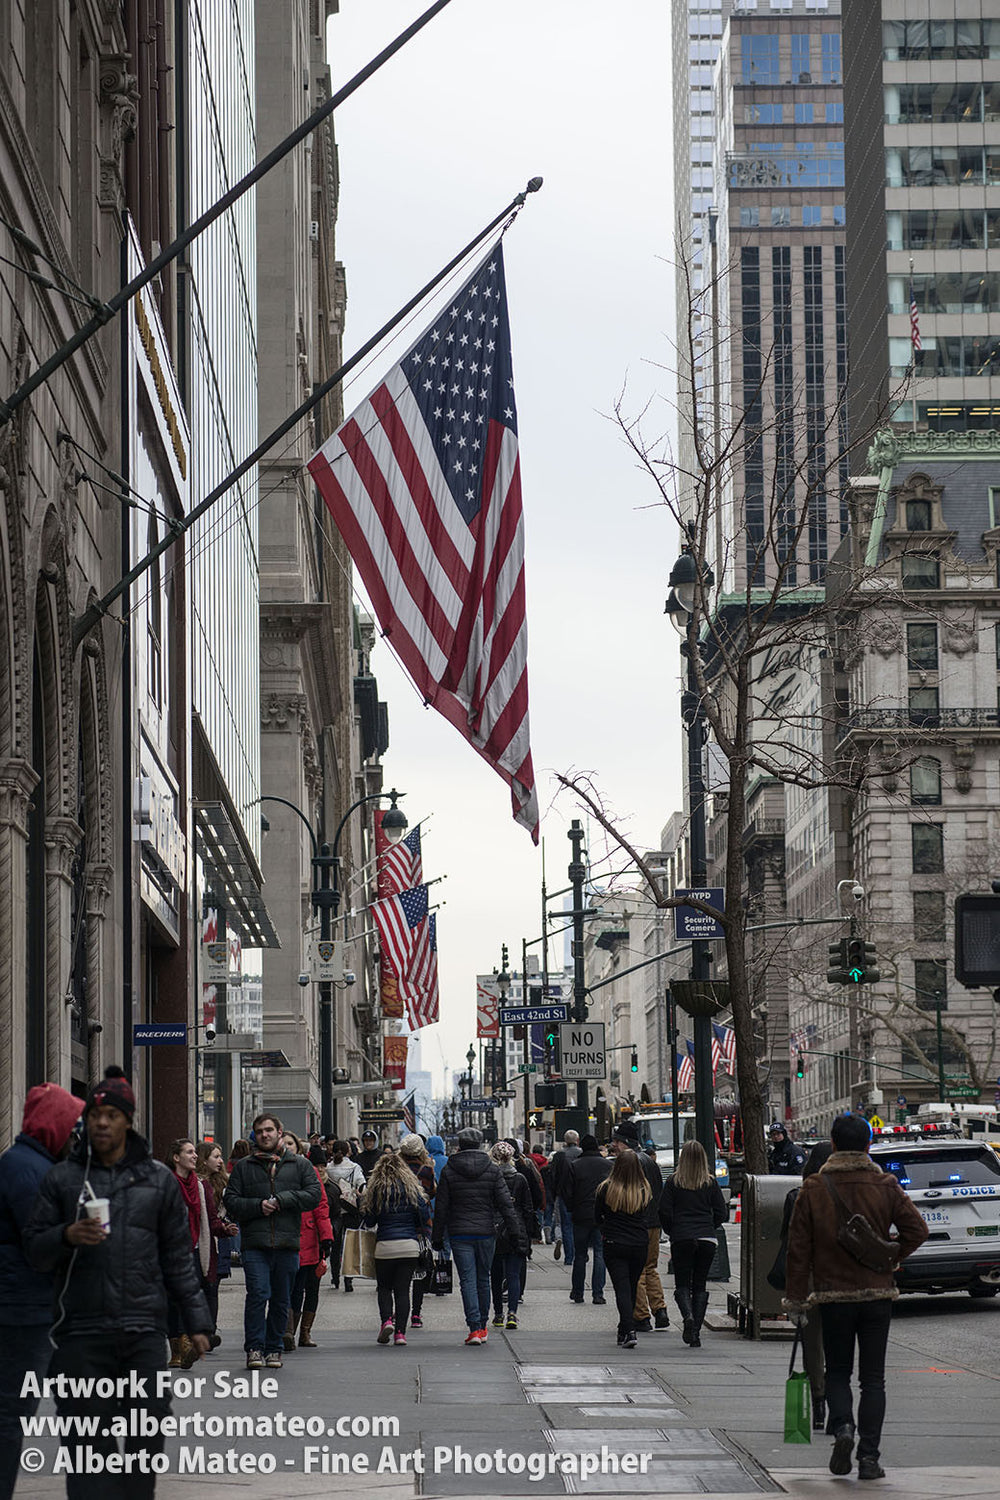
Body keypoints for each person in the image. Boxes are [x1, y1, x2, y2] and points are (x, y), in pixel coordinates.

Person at [22, 1067, 211, 1497]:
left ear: (129, 1120)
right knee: (88, 1443)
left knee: (147, 1431)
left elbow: (178, 1258)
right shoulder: (64, 1178)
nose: (102, 1122)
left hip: (142, 1328)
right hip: (80, 1332)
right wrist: (66, 1236)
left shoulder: (157, 1180)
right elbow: (34, 1248)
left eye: (112, 1114)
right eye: (95, 1114)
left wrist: (198, 1323)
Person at [784, 1112, 929, 1481]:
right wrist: (890, 1255)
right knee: (873, 1379)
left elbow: (798, 1252)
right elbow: (917, 1230)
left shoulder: (814, 1189)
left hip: (833, 1297)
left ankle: (843, 1427)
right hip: (877, 1294)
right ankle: (869, 1458)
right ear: (868, 1145)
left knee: (838, 1372)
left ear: (833, 1145)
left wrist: (797, 1300)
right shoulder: (885, 1184)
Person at [0, 1082, 85, 1500]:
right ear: (54, 1126)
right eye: (72, 1127)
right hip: (26, 1313)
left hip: (40, 1311)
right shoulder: (26, 1169)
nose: (76, 1137)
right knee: (13, 1414)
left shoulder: (33, 1166)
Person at [224, 1111, 321, 1370]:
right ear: (255, 1135)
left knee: (281, 1299)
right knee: (258, 1294)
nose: (264, 1135)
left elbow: (314, 1195)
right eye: (259, 1131)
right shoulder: (244, 1166)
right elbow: (230, 1200)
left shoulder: (300, 1165)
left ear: (280, 1132)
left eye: (269, 1130)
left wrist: (282, 1201)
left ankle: (274, 1347)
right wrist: (258, 1206)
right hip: (255, 1243)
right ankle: (254, 1347)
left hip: (288, 1243)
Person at [431, 1126, 525, 1345]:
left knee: (467, 1280)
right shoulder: (492, 1170)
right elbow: (505, 1205)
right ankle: (482, 1326)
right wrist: (515, 1233)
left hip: (459, 1232)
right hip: (485, 1231)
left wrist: (437, 1236)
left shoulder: (449, 1169)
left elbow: (442, 1206)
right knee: (484, 1278)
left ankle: (474, 1327)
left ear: (459, 1145)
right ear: (480, 1144)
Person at [165, 1137, 234, 1369]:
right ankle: (177, 1350)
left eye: (196, 1152)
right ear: (176, 1158)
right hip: (171, 1251)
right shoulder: (165, 1183)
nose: (195, 1156)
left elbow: (212, 1220)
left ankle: (186, 1348)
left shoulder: (201, 1186)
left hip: (197, 1249)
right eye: (190, 1152)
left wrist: (224, 1230)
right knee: (173, 1301)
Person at [660, 1140, 728, 1348]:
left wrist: (673, 1231)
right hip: (706, 1237)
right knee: (700, 1283)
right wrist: (709, 1226)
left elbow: (664, 1211)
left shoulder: (673, 1182)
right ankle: (696, 1331)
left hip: (682, 1236)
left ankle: (687, 1315)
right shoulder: (710, 1182)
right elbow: (722, 1213)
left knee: (682, 1283)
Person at [361, 1150, 431, 1346]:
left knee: (384, 1288)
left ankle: (386, 1322)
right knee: (402, 1291)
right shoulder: (412, 1188)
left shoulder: (377, 1191)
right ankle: (400, 1333)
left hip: (385, 1246)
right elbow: (424, 1214)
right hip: (409, 1246)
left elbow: (369, 1221)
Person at [609, 1121, 669, 1332]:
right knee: (651, 1268)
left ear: (625, 1143)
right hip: (653, 1222)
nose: (613, 1145)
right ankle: (660, 1309)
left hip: (636, 1223)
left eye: (617, 1141)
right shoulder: (650, 1162)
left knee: (638, 1272)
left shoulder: (628, 1163)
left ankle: (641, 1316)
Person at [593, 1145, 651, 1348]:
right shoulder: (644, 1189)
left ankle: (628, 1329)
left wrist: (606, 1228)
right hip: (638, 1243)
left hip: (614, 1242)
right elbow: (648, 1215)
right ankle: (625, 1328)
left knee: (622, 1288)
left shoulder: (606, 1188)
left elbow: (597, 1216)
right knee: (632, 1287)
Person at [283, 1134, 332, 1350]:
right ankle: (288, 1331)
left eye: (290, 1143)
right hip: (287, 1237)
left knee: (311, 1287)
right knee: (292, 1288)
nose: (286, 1147)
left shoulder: (309, 1172)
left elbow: (321, 1207)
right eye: (283, 1144)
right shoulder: (273, 1171)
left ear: (299, 1148)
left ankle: (304, 1332)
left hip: (311, 1237)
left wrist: (326, 1237)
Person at [196, 1140, 236, 1348]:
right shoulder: (197, 1184)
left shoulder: (224, 1182)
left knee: (213, 1287)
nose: (220, 1161)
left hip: (220, 1241)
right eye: (216, 1156)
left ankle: (210, 1329)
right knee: (202, 1287)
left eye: (221, 1156)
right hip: (204, 1240)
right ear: (204, 1160)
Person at [562, 1134, 611, 1305]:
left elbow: (567, 1192)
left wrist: (572, 1208)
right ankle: (598, 1293)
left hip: (581, 1215)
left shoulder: (575, 1166)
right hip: (602, 1216)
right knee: (600, 1253)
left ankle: (578, 1292)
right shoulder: (608, 1165)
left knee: (580, 1255)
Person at [489, 1140, 532, 1329]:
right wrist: (530, 1233)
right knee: (513, 1274)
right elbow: (527, 1208)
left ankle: (498, 1314)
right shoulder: (520, 1179)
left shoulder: (490, 1178)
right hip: (516, 1229)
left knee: (496, 1275)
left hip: (496, 1230)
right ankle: (512, 1313)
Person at [399, 1135, 436, 1329]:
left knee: (402, 1271)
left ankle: (399, 1310)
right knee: (421, 1269)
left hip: (400, 1223)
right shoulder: (426, 1170)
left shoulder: (395, 1170)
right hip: (422, 1226)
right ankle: (416, 1314)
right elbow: (431, 1192)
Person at [326, 1138, 366, 1290]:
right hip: (349, 1209)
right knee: (350, 1245)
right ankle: (348, 1279)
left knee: (335, 1245)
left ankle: (335, 1276)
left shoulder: (328, 1168)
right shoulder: (354, 1167)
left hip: (333, 1211)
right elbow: (362, 1186)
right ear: (348, 1151)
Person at [548, 1129, 582, 1265]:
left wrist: (555, 1193)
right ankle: (580, 1254)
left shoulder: (559, 1155)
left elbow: (553, 1176)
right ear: (577, 1140)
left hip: (564, 1195)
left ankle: (569, 1257)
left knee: (566, 1226)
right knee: (578, 1226)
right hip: (580, 1195)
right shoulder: (581, 1154)